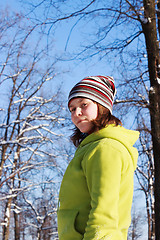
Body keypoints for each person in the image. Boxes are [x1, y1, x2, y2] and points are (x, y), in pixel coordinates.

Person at [57, 75, 139, 240]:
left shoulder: (105, 148)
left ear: (102, 105)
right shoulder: (94, 148)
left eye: (83, 104)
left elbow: (104, 214)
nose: (77, 112)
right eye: (72, 109)